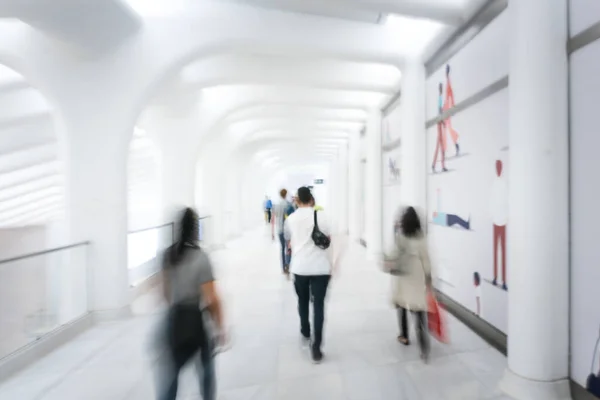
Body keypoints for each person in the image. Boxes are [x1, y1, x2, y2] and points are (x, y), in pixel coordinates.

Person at [155, 208, 225, 400]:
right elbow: (211, 298)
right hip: (194, 321)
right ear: (196, 229)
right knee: (207, 372)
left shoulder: (167, 256)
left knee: (171, 377)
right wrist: (220, 327)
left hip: (174, 320)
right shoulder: (201, 257)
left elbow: (165, 295)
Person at [284, 187, 332, 363]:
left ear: (297, 201)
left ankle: (305, 329)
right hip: (320, 267)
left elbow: (288, 242)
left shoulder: (290, 219)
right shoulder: (322, 216)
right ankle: (316, 347)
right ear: (311, 199)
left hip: (300, 267)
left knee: (302, 300)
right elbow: (328, 239)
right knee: (318, 306)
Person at [388, 206, 432, 362]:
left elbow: (394, 254)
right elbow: (426, 261)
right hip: (417, 277)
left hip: (404, 278)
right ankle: (424, 348)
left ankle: (404, 336)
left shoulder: (401, 237)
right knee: (419, 312)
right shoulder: (421, 238)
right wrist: (428, 279)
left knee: (402, 306)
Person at [490, 160, 508, 291]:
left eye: (499, 167)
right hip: (497, 221)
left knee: (502, 252)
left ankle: (503, 279)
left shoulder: (501, 184)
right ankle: (496, 277)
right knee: (497, 251)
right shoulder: (497, 184)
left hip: (501, 221)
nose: (498, 169)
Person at [272, 188, 294, 274]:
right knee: (288, 247)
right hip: (288, 229)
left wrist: (272, 233)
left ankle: (283, 267)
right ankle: (288, 263)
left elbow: (273, 218)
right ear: (286, 194)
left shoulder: (276, 205)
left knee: (282, 248)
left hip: (279, 229)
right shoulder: (289, 205)